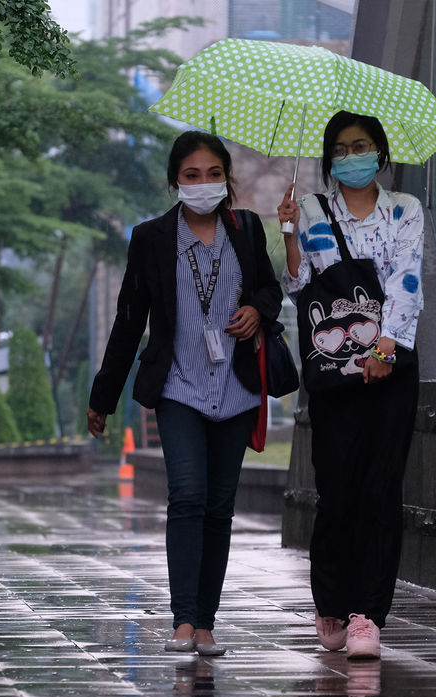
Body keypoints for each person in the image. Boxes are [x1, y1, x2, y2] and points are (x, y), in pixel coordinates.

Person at [88, 131, 282, 655]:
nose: (202, 184)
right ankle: (182, 619)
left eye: (213, 174)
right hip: (178, 386)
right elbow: (129, 320)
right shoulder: (151, 238)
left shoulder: (245, 230)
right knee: (188, 496)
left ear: (227, 179)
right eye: (191, 175)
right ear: (175, 181)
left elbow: (271, 290)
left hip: (237, 387)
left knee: (219, 508)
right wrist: (103, 395)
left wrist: (257, 310)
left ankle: (206, 624)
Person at [276, 111, 423, 659]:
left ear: (380, 154)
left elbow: (408, 281)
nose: (350, 156)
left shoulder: (406, 210)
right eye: (339, 149)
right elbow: (300, 287)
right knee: (337, 491)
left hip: (392, 369)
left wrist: (385, 349)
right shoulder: (313, 208)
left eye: (361, 146)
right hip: (334, 373)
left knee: (382, 491)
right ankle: (331, 602)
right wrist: (290, 234)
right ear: (328, 158)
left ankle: (368, 615)